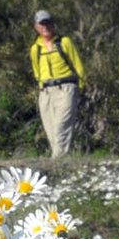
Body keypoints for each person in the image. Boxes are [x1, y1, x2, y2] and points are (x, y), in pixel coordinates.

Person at [29, 10, 85, 158]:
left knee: (62, 127)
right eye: (42, 24)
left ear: (53, 24)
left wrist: (81, 85)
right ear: (36, 27)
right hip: (46, 91)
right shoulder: (35, 48)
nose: (45, 26)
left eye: (48, 22)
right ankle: (62, 162)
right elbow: (36, 71)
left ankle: (56, 162)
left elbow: (78, 64)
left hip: (66, 88)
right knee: (51, 130)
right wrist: (41, 87)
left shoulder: (64, 42)